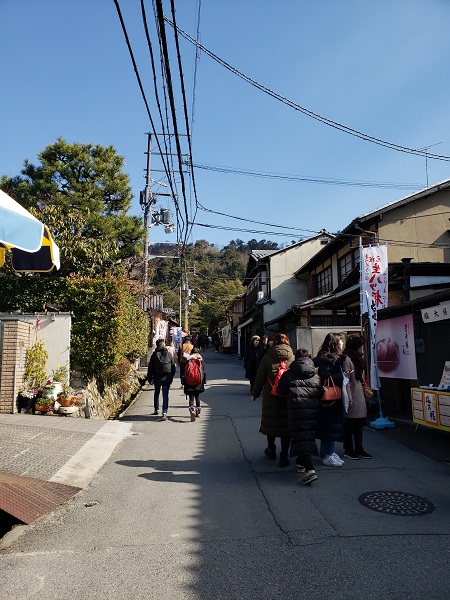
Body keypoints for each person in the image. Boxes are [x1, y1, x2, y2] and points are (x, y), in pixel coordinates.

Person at [276, 348, 324, 485]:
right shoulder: (315, 375)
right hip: (313, 410)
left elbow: (280, 390)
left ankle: (310, 470)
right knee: (307, 437)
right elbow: (321, 392)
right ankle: (300, 463)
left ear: (296, 358)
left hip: (295, 410)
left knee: (300, 438)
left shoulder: (289, 374)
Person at [251, 333, 294, 467]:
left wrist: (255, 393)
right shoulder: (292, 357)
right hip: (288, 396)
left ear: (273, 343)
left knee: (271, 423)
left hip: (271, 396)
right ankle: (284, 455)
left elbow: (260, 377)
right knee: (286, 427)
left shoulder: (267, 357)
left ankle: (271, 449)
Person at [313, 332, 352, 467]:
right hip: (329, 400)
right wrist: (342, 376)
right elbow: (326, 378)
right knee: (329, 427)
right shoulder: (329, 360)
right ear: (334, 343)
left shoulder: (329, 358)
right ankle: (328, 455)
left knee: (329, 428)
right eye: (340, 341)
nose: (342, 343)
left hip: (329, 401)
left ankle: (328, 453)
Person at [342, 333, 372, 460]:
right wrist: (349, 399)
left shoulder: (358, 358)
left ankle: (359, 448)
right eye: (360, 346)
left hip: (359, 394)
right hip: (352, 395)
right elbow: (346, 380)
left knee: (358, 424)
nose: (361, 349)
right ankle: (348, 449)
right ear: (355, 347)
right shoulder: (346, 359)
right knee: (350, 424)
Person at [147, 339, 176, 421]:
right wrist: (171, 377)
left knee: (156, 393)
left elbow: (150, 368)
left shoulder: (154, 355)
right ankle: (164, 412)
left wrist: (150, 378)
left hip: (157, 377)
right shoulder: (169, 354)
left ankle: (156, 409)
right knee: (165, 395)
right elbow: (173, 367)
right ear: (163, 344)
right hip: (167, 378)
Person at [183, 347, 206, 421]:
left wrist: (183, 382)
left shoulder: (188, 360)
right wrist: (203, 381)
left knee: (191, 397)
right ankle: (197, 412)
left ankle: (192, 410)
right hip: (198, 382)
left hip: (189, 381)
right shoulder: (200, 360)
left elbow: (184, 372)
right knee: (197, 396)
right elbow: (203, 372)